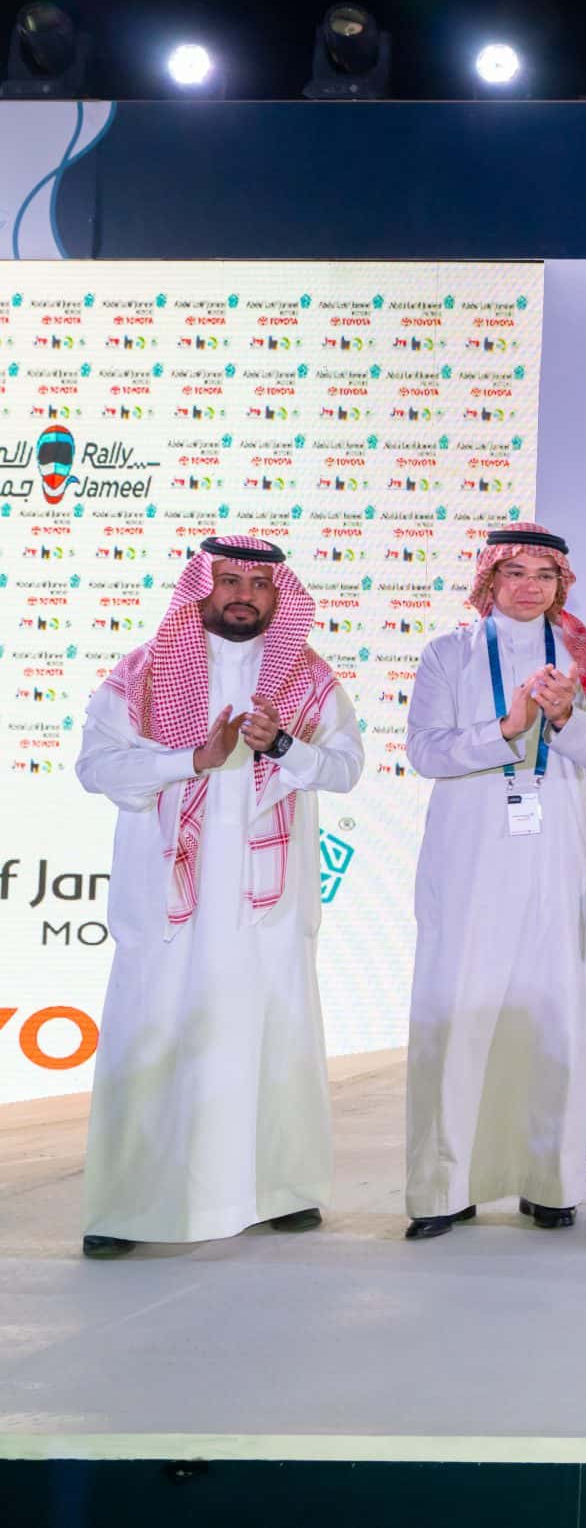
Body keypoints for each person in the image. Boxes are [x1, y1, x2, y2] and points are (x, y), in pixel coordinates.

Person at [73, 537, 363, 1258]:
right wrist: (192, 759)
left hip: (267, 910)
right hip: (168, 907)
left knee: (273, 1032)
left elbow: (345, 768)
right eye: (229, 580)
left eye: (258, 584)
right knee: (155, 1033)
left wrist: (284, 747)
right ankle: (130, 1206)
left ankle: (278, 1190)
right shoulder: (144, 672)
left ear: (277, 596)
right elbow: (96, 767)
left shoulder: (306, 678)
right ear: (202, 588)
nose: (243, 595)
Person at [403, 523, 586, 1239]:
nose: (530, 587)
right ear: (489, 579)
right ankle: (444, 1189)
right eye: (516, 572)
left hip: (552, 856)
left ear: (562, 583)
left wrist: (563, 720)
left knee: (552, 1017)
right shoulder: (448, 653)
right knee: (458, 1016)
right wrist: (506, 728)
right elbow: (425, 753)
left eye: (544, 574)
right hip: (469, 857)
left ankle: (550, 1183)